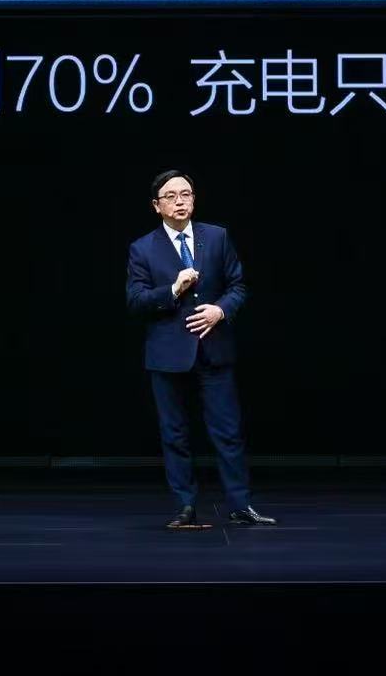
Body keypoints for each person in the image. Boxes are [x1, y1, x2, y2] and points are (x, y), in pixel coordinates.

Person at [125, 169, 275, 529]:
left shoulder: (217, 237)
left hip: (214, 349)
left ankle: (240, 505)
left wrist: (220, 310)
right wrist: (172, 290)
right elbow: (135, 301)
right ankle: (185, 506)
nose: (180, 201)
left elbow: (238, 286)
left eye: (186, 194)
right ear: (156, 206)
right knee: (175, 434)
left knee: (228, 431)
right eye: (171, 196)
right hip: (168, 355)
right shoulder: (142, 248)